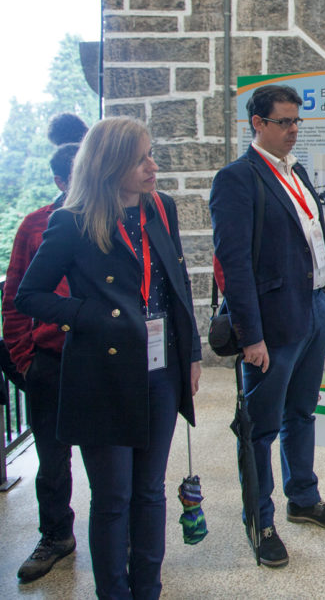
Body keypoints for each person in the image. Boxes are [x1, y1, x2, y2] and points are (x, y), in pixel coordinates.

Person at [15, 118, 202, 599]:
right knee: (114, 497)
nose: (152, 166)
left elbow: (177, 285)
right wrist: (90, 315)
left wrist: (191, 355)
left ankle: (148, 590)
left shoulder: (162, 208)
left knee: (150, 491)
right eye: (141, 159)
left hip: (161, 370)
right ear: (109, 164)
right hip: (102, 374)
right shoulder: (72, 220)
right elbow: (28, 295)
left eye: (150, 154)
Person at [209, 84, 325, 568]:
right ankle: (261, 520)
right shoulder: (237, 179)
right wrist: (250, 336)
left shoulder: (297, 172)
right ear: (258, 124)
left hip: (313, 307)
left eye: (297, 121)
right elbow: (234, 266)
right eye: (284, 121)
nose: (293, 130)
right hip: (272, 324)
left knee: (302, 412)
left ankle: (304, 499)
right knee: (260, 427)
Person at [2, 144, 79, 583]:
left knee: (112, 454)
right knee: (51, 459)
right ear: (59, 181)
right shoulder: (35, 224)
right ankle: (55, 535)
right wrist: (24, 358)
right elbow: (14, 296)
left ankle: (119, 533)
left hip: (101, 360)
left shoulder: (114, 217)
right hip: (49, 358)